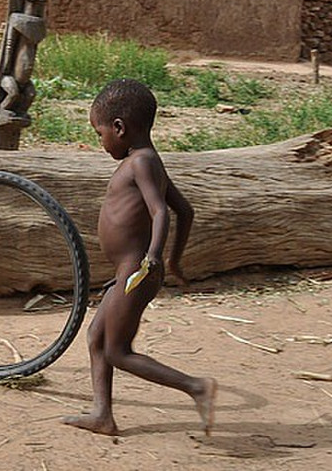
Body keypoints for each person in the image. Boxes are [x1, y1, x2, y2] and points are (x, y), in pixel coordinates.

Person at [63, 78, 217, 436]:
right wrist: (175, 261)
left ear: (119, 128)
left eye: (99, 134)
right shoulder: (147, 160)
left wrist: (153, 258)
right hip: (130, 270)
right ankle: (103, 414)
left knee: (117, 350)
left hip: (136, 269)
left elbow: (160, 211)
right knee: (96, 338)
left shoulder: (142, 163)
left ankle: (197, 387)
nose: (100, 143)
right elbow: (186, 211)